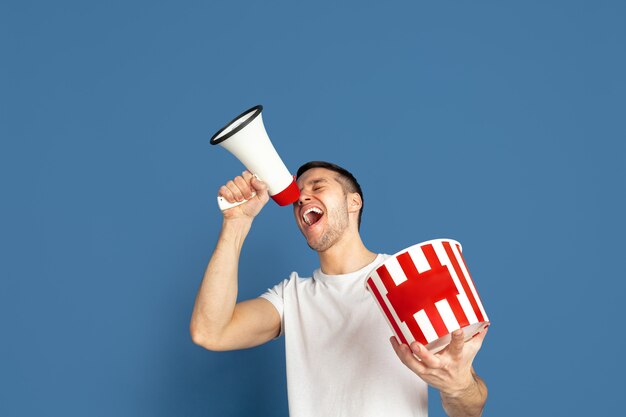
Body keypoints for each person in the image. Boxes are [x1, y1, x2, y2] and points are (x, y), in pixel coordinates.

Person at [190, 161, 489, 417]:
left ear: (353, 202)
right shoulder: (291, 297)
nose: (302, 197)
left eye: (317, 187)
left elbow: (470, 407)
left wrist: (458, 385)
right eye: (297, 196)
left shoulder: (406, 275)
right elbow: (210, 332)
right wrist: (236, 223)